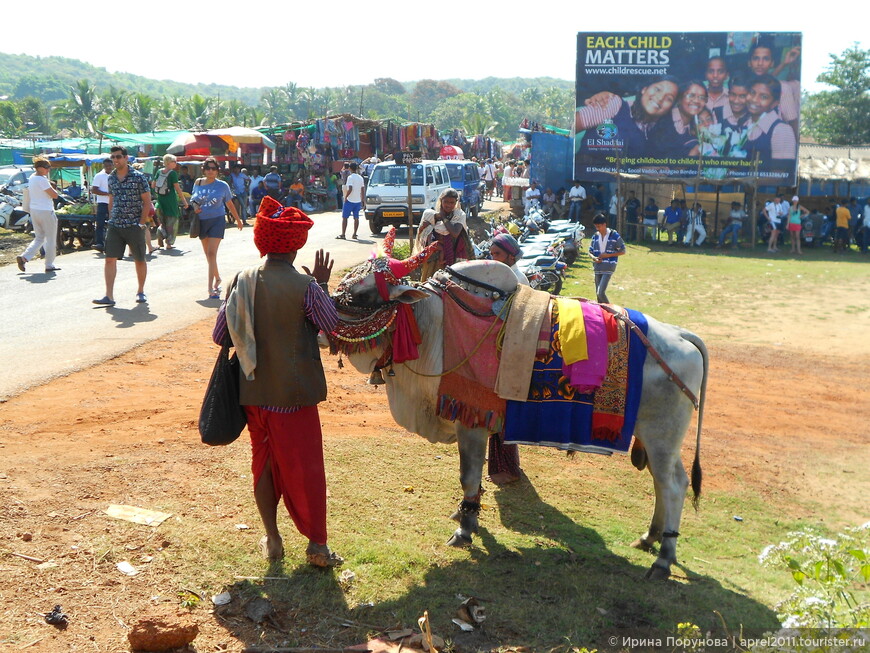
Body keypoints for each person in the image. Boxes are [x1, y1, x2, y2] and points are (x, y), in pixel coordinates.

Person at [213, 196, 342, 567]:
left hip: (253, 394)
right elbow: (333, 328)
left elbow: (221, 335)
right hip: (294, 396)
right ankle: (317, 547)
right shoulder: (307, 287)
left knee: (264, 465)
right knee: (306, 471)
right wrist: (322, 284)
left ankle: (272, 538)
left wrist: (228, 303)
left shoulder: (242, 280)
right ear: (296, 245)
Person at [92, 146, 150, 306]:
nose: (115, 160)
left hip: (133, 225)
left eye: (118, 157)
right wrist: (111, 218)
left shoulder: (138, 177)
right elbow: (112, 199)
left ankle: (140, 291)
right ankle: (108, 296)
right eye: (113, 157)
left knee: (139, 259)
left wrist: (141, 223)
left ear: (126, 158)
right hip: (115, 225)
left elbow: (147, 201)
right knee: (109, 259)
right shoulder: (111, 178)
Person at [575, 76, 680, 157]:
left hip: (621, 183)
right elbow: (571, 126)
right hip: (586, 180)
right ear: (644, 89)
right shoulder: (614, 104)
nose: (661, 98)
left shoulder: (655, 128)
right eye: (658, 89)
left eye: (669, 98)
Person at [190, 156, 243, 299]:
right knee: (208, 254)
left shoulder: (222, 185)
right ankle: (218, 277)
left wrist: (238, 220)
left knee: (212, 253)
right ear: (204, 170)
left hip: (217, 220)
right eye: (208, 168)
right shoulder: (198, 182)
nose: (210, 171)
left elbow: (229, 204)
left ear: (217, 170)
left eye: (213, 168)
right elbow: (193, 199)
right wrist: (195, 207)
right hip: (202, 221)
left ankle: (211, 287)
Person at [415, 188, 473, 281]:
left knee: (451, 282)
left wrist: (443, 217)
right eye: (446, 202)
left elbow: (454, 233)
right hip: (433, 256)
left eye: (452, 202)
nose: (448, 205)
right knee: (429, 281)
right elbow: (421, 232)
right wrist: (423, 226)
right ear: (440, 200)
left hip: (453, 253)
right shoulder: (431, 214)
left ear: (456, 203)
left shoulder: (459, 215)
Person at [16, 157, 60, 274]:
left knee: (40, 237)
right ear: (40, 168)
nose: (48, 170)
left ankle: (24, 257)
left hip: (34, 210)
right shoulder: (42, 180)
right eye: (47, 168)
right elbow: (54, 195)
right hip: (45, 211)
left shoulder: (32, 178)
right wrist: (53, 189)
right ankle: (49, 264)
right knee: (50, 239)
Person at [742, 76, 797, 167]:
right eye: (752, 93)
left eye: (764, 97)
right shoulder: (745, 124)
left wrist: (740, 180)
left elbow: (779, 176)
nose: (754, 99)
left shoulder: (782, 130)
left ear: (774, 103)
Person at [152, 153, 189, 250]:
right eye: (174, 161)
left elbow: (153, 185)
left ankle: (160, 237)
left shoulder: (159, 172)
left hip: (160, 200)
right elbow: (178, 189)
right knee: (172, 222)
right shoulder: (172, 173)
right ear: (169, 163)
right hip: (171, 200)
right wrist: (184, 202)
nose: (176, 163)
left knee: (162, 221)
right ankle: (169, 243)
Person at [588, 212, 626, 304]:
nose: (598, 229)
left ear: (604, 225)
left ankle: (612, 311)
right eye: (596, 227)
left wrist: (607, 255)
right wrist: (594, 258)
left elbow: (623, 251)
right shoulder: (595, 236)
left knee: (600, 293)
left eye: (599, 226)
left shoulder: (614, 235)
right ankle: (602, 314)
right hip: (597, 267)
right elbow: (590, 251)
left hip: (609, 266)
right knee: (598, 296)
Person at [90, 158, 113, 251]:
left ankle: (112, 243)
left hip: (113, 203)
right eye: (106, 166)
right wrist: (107, 194)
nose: (108, 167)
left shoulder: (115, 175)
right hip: (102, 203)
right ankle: (99, 243)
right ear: (104, 166)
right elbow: (94, 190)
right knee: (100, 224)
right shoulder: (99, 176)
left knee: (113, 224)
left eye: (110, 165)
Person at [339, 163, 364, 240]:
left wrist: (346, 197)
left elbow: (350, 188)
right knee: (356, 218)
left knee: (345, 218)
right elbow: (362, 190)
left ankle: (343, 234)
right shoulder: (360, 178)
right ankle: (355, 234)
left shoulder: (350, 177)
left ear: (350, 168)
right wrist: (362, 200)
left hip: (350, 200)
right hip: (357, 200)